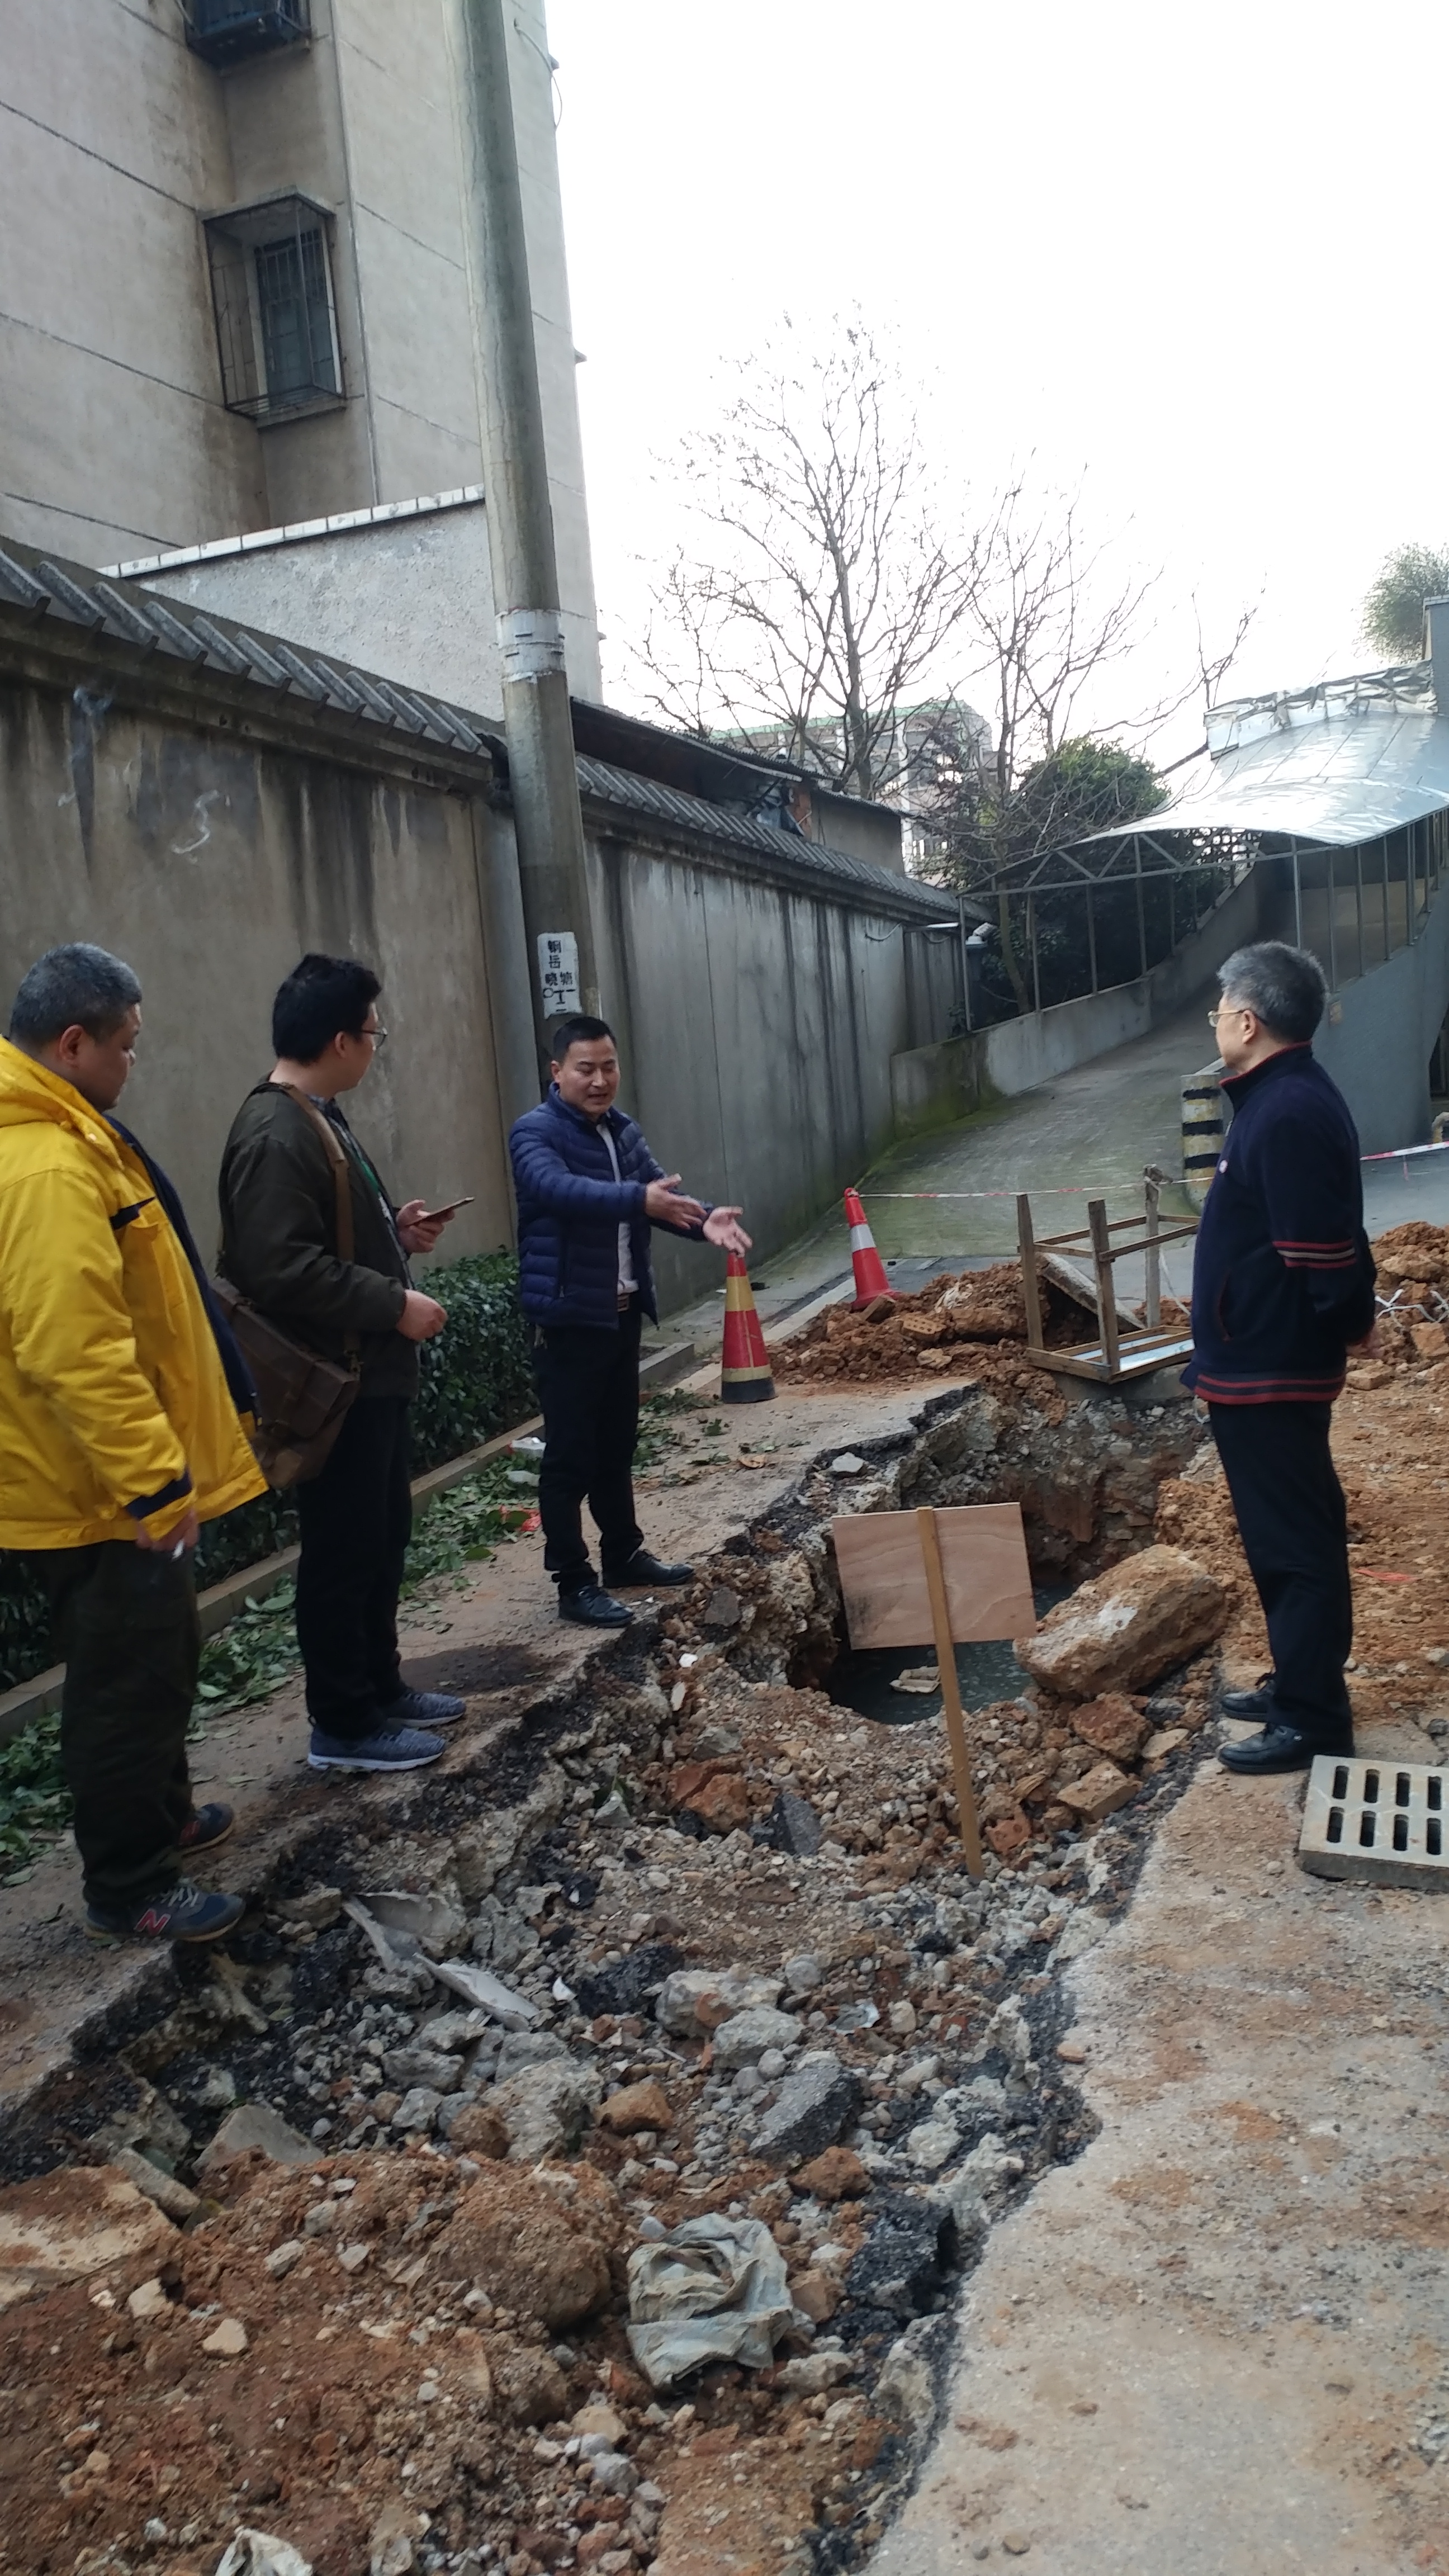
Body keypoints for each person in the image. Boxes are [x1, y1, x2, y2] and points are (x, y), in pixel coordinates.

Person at [0, 944, 266, 1942]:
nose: (133, 1063)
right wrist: (154, 1480)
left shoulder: (67, 1131)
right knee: (126, 1678)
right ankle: (129, 1881)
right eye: (127, 1045)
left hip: (104, 1477)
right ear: (73, 1043)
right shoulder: (44, 1162)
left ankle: (162, 1816)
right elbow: (76, 1345)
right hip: (95, 1485)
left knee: (159, 1649)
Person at [219, 954, 464, 1773]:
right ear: (338, 1039)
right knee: (343, 1549)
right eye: (372, 1031)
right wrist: (394, 1303)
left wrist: (395, 1229)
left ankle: (380, 1686)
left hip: (370, 1376)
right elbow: (277, 1267)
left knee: (381, 1536)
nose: (375, 1044)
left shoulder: (318, 1115)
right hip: (333, 1383)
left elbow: (328, 1237)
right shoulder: (274, 1131)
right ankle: (344, 1723)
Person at [1185, 941, 1377, 1774]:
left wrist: (1350, 1321)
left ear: (1250, 1020)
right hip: (1259, 1360)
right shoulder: (1275, 1099)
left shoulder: (1288, 1110)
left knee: (1294, 1541)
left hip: (1273, 1368)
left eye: (1221, 1006)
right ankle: (1298, 1680)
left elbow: (1323, 1247)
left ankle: (1313, 1716)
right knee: (1282, 1537)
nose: (1215, 1018)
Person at [510, 1014, 752, 1626]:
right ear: (557, 1071)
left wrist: (703, 1221)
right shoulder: (534, 1133)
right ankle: (573, 1581)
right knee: (569, 1456)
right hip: (567, 1319)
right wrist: (638, 1200)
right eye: (585, 1068)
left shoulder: (621, 1131)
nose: (599, 1080)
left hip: (619, 1316)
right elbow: (560, 1190)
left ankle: (623, 1554)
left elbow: (658, 1194)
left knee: (616, 1447)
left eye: (609, 1066)